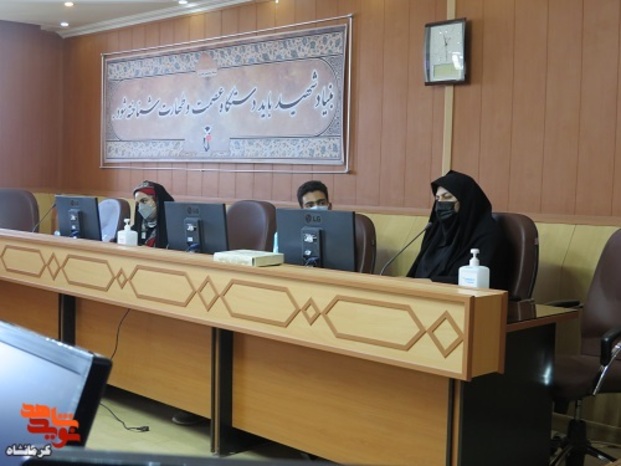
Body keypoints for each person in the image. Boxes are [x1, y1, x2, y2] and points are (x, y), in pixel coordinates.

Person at [132, 181, 204, 426]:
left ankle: (188, 399)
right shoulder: (141, 227)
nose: (141, 207)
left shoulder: (176, 225)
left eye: (145, 201)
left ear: (159, 201)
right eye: (137, 203)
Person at [407, 170, 510, 291]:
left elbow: (478, 283)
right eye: (438, 198)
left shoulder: (488, 237)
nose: (440, 204)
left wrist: (429, 283)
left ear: (465, 200)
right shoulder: (436, 231)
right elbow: (417, 271)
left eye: (447, 197)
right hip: (423, 295)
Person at [132, 180, 174, 248]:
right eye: (138, 203)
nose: (140, 206)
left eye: (144, 201)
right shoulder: (135, 229)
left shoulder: (174, 231)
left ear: (157, 201)